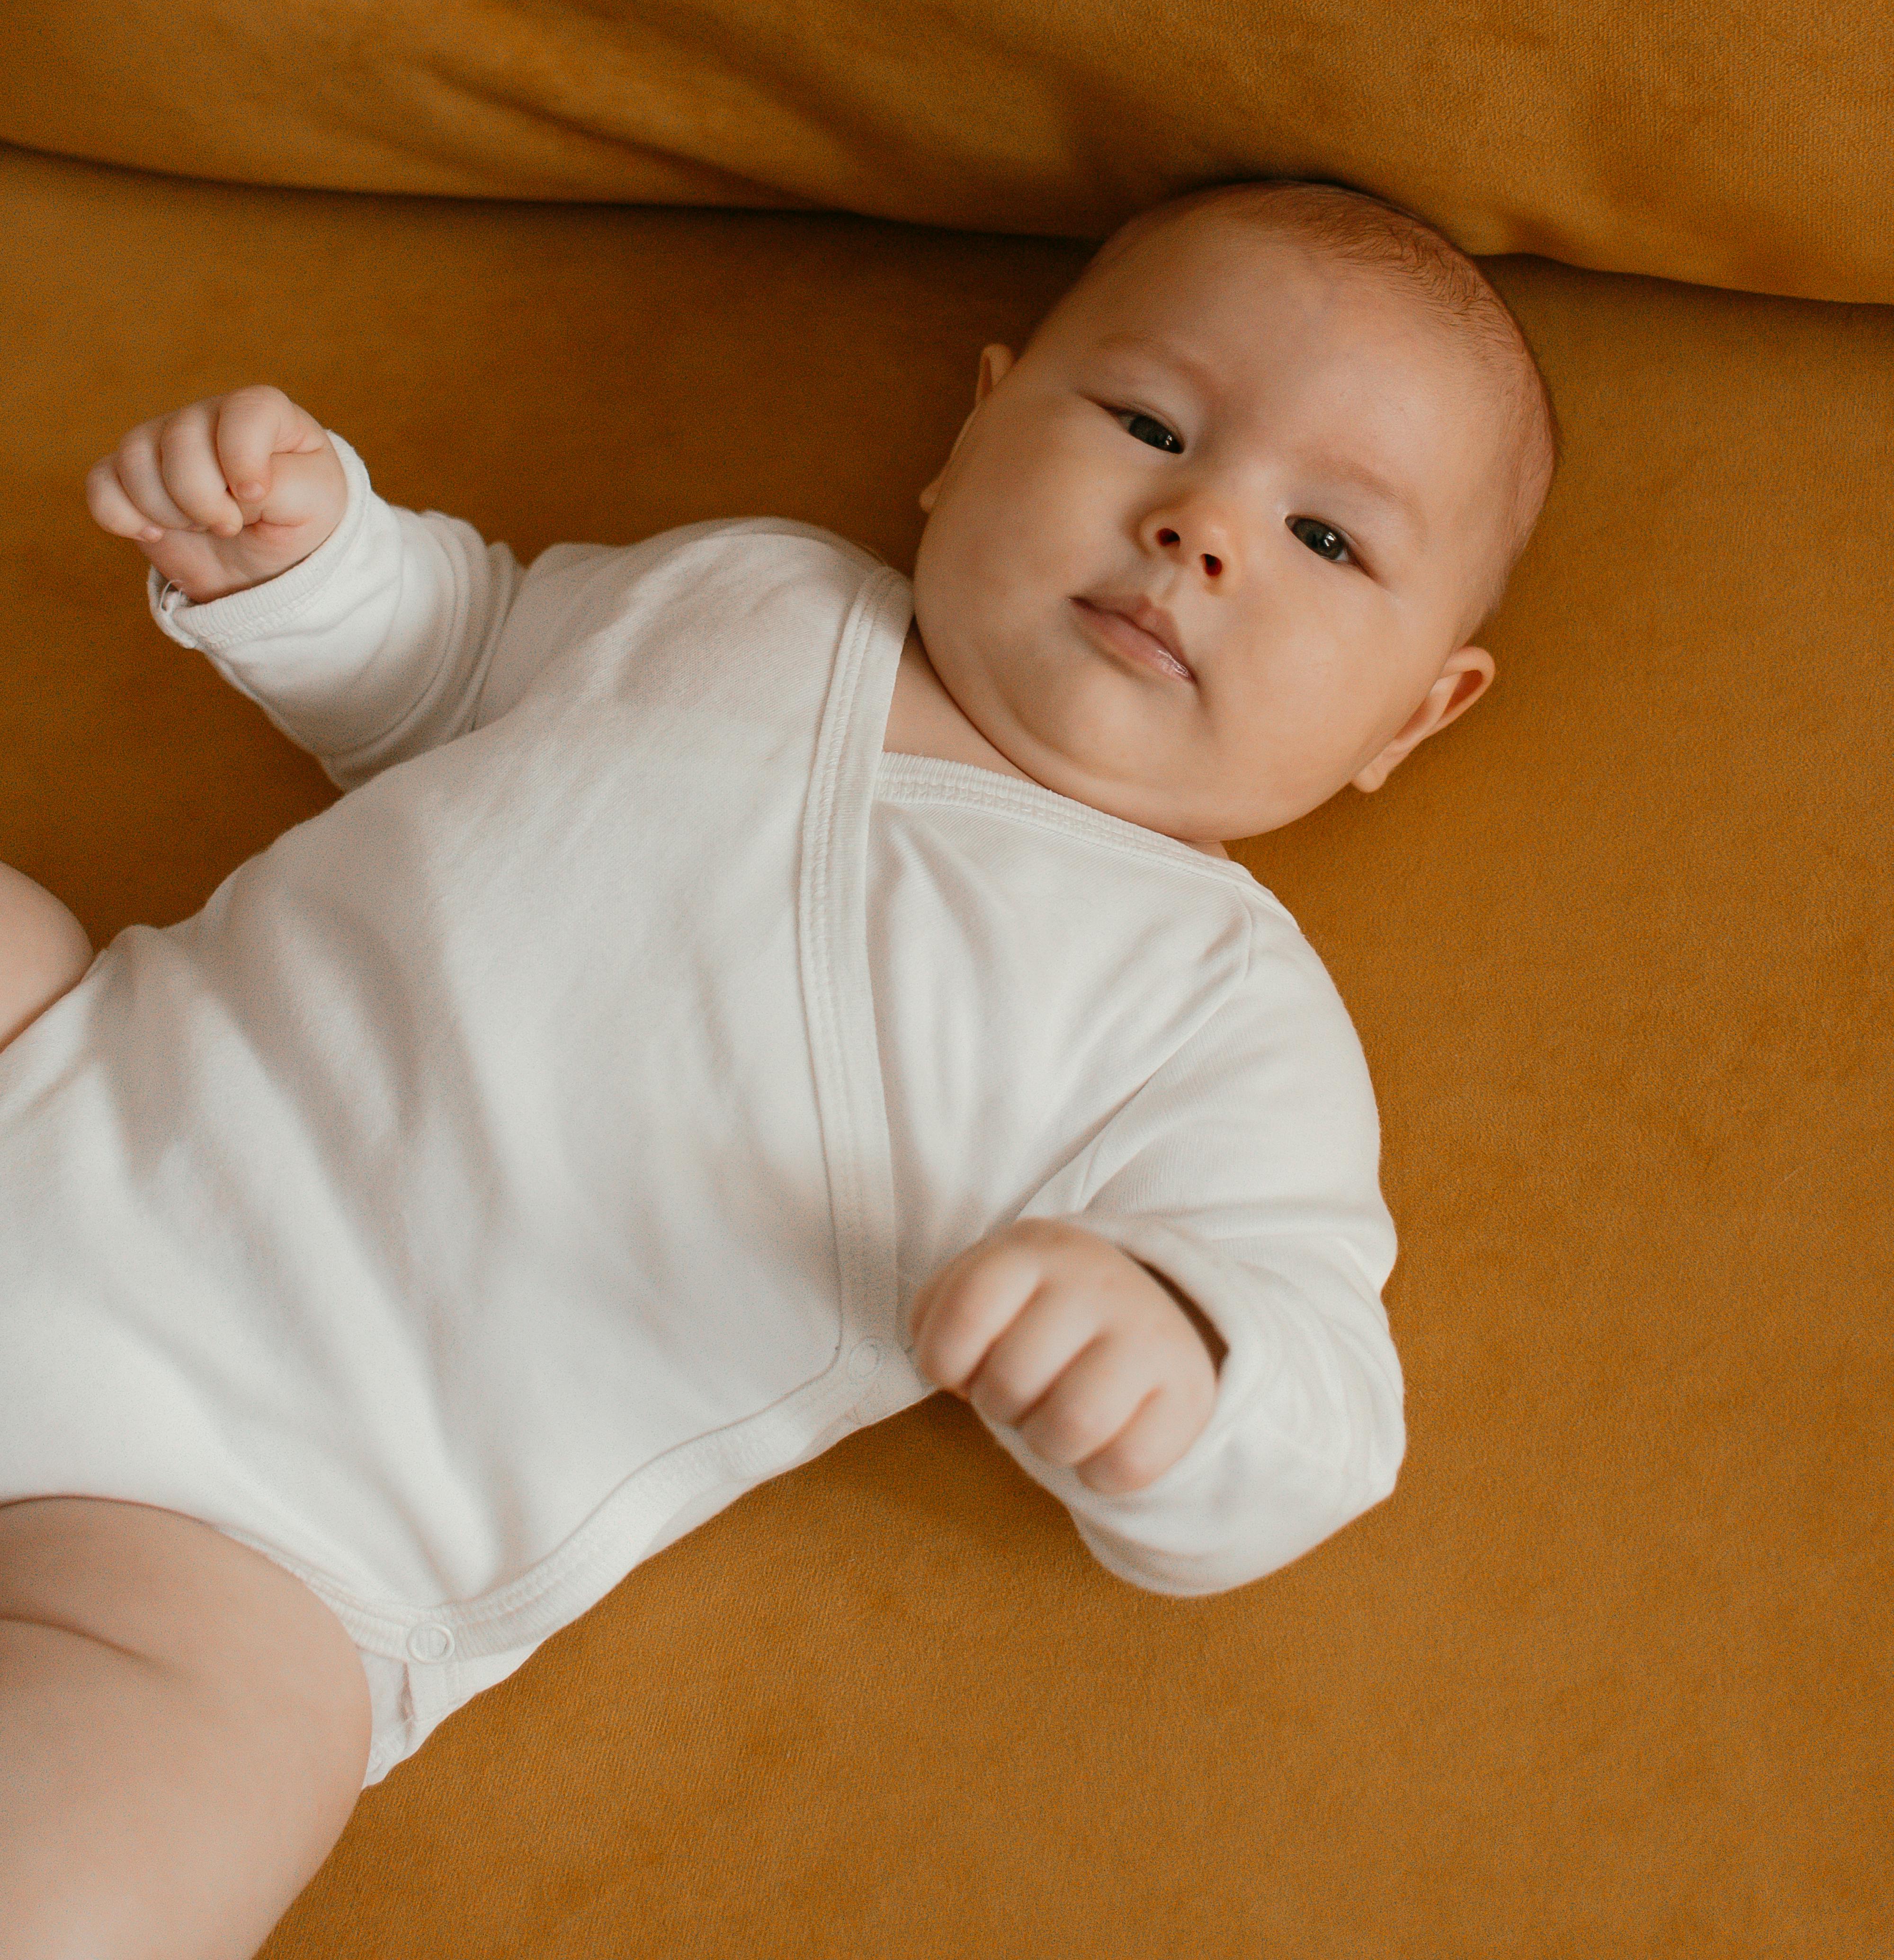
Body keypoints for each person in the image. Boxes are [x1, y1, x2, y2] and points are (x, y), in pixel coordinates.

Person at [0, 178, 1555, 1959]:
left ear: (1421, 711)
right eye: (1149, 424)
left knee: (147, 1822)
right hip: (60, 1082)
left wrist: (1178, 1363)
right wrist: (308, 562)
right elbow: (451, 670)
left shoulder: (1214, 1006)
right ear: (971, 437)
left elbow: (1324, 1384)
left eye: (1331, 541)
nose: (1202, 523)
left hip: (246, 1534)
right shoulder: (740, 589)